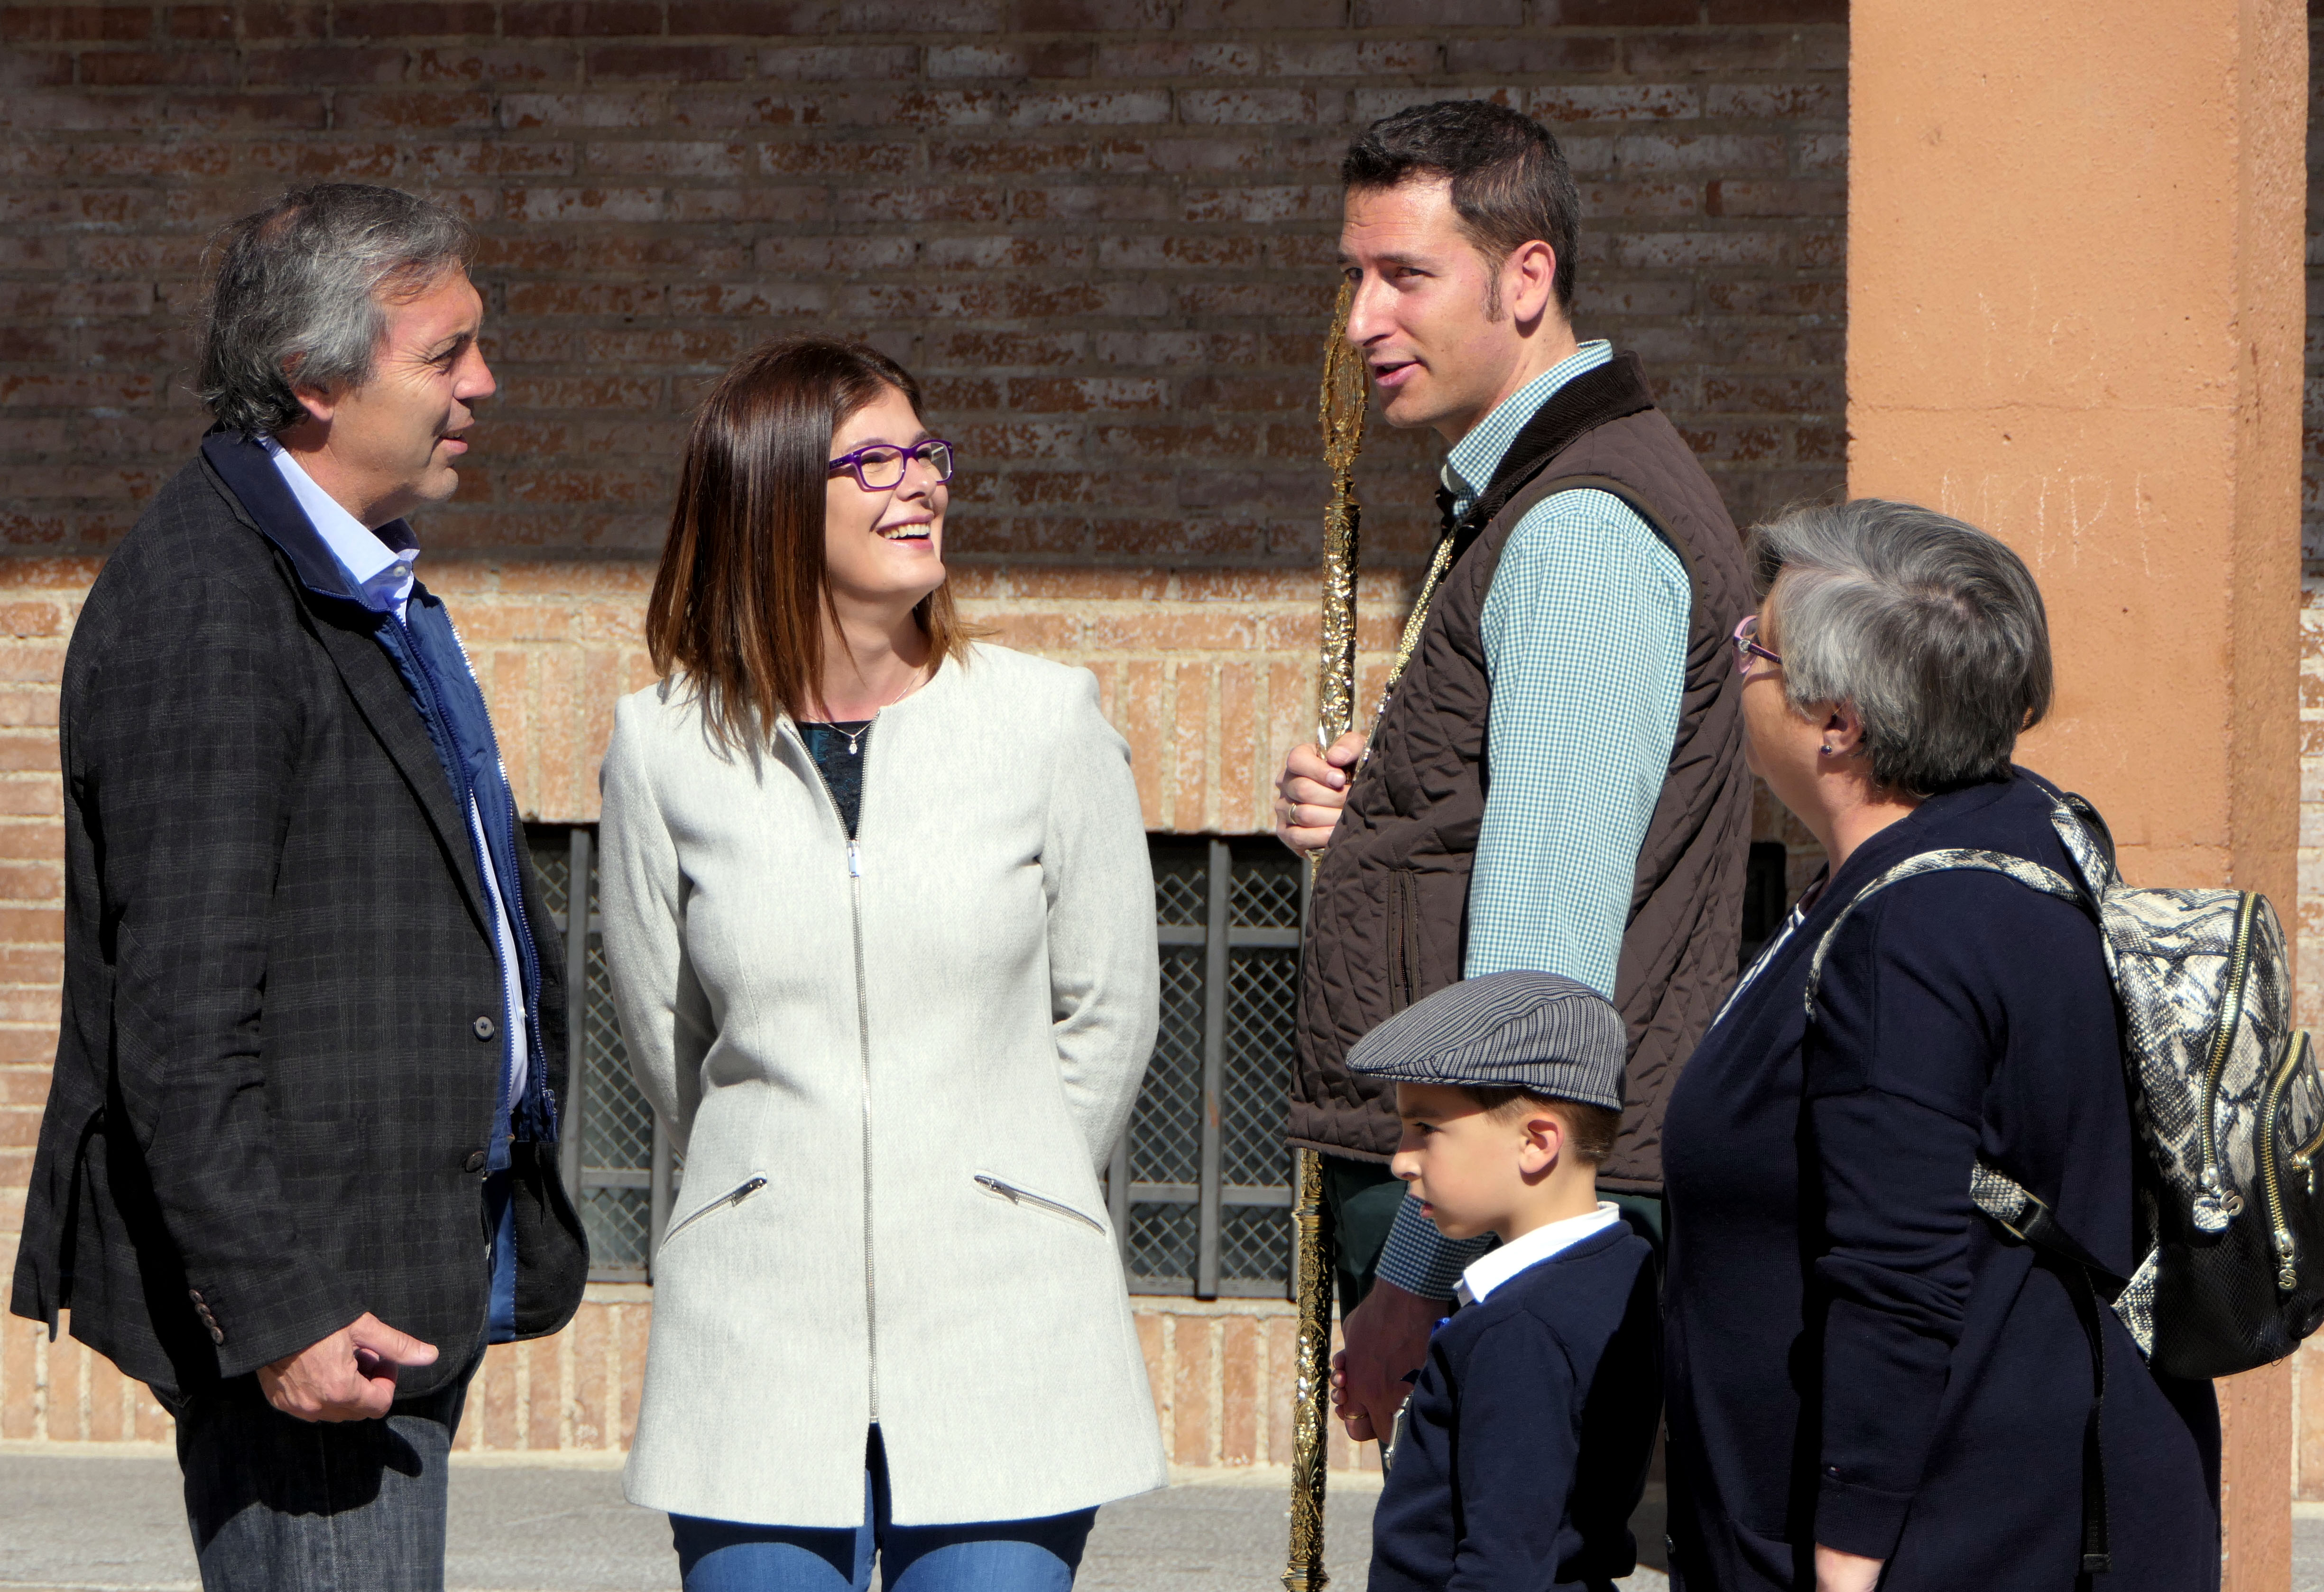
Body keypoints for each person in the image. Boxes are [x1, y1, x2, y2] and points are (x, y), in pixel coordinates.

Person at [7, 184, 587, 1590]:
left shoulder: (356, 578)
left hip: (389, 1270)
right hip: (323, 1311)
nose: (483, 384)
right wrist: (282, 1309)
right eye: (445, 354)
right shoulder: (211, 603)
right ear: (314, 378)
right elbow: (180, 1018)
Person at [597, 335, 1165, 1591]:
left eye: (925, 453)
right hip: (754, 1332)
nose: (920, 484)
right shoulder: (663, 746)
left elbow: (1109, 1009)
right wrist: (771, 1184)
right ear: (769, 497)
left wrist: (1000, 1184)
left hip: (1003, 1324)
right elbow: (666, 1034)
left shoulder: (1045, 720)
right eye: (872, 462)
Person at [1273, 99, 1753, 1443]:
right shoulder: (1525, 497)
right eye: (1352, 276)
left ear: (1525, 277)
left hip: (1517, 1239)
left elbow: (1536, 986)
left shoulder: (1578, 528)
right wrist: (1378, 811)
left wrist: (1413, 1279)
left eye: (1404, 276)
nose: (1360, 320)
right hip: (1504, 1222)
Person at [1660, 500, 2219, 1592]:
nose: (1734, 664)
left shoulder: (1910, 937)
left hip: (1947, 1538)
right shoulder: (2028, 833)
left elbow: (1895, 1273)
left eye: (1753, 647)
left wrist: (1845, 1561)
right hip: (2027, 1500)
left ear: (1836, 722)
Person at [1355, 972, 1661, 1592]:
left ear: (1536, 1142)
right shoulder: (1618, 1269)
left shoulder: (1518, 1330)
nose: (1401, 1160)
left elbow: (1501, 1568)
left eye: (1426, 1129)